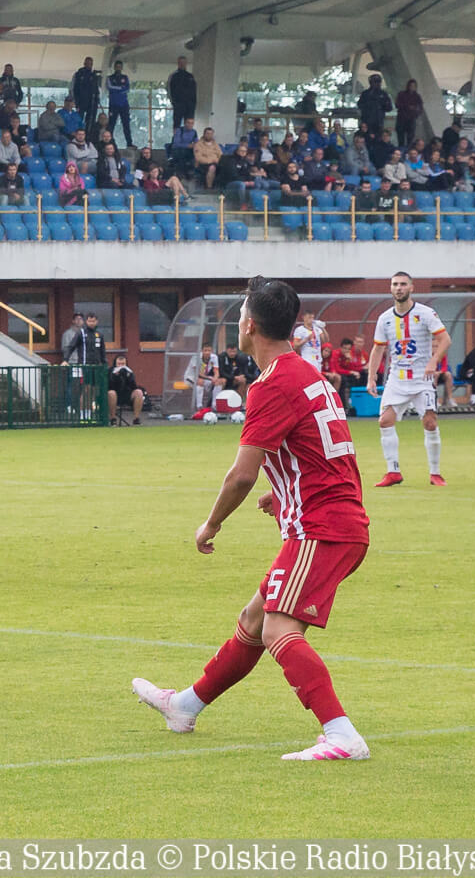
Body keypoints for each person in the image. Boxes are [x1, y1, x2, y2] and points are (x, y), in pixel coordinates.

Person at [132, 277, 373, 762]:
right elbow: (323, 455)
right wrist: (280, 494)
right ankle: (185, 705)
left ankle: (341, 734)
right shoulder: (308, 373)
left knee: (278, 629)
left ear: (249, 325)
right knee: (253, 618)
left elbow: (240, 475)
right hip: (328, 519)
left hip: (322, 529)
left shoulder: (272, 384)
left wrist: (212, 524)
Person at [366, 271, 449, 487]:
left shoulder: (425, 313)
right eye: (395, 284)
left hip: (422, 379)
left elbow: (445, 339)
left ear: (411, 287)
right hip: (397, 379)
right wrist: (371, 377)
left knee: (430, 422)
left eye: (403, 284)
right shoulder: (384, 319)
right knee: (384, 421)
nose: (399, 288)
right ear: (390, 288)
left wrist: (433, 361)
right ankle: (393, 471)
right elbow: (377, 349)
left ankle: (435, 473)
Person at [107, 354, 145, 425]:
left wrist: (129, 376)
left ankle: (136, 418)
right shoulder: (110, 371)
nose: (121, 366)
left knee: (139, 392)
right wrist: (115, 376)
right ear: (115, 363)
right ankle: (113, 418)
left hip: (126, 394)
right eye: (119, 364)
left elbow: (134, 386)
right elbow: (109, 386)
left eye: (123, 364)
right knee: (111, 393)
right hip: (113, 394)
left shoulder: (129, 371)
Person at [105, 60, 133, 147]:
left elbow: (127, 89)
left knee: (126, 124)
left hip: (124, 104)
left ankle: (129, 143)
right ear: (114, 67)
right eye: (117, 66)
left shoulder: (125, 77)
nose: (118, 68)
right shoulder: (110, 78)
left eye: (120, 66)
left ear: (121, 67)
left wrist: (118, 89)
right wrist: (121, 88)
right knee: (111, 124)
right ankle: (108, 142)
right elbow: (110, 87)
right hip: (113, 104)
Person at [357, 74, 392, 140]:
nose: (377, 84)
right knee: (366, 139)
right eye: (375, 82)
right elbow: (360, 105)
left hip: (379, 122)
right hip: (367, 122)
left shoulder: (383, 94)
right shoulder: (366, 94)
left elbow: (389, 108)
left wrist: (382, 105)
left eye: (378, 82)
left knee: (378, 140)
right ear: (371, 83)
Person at [186, 343, 219, 410]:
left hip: (205, 378)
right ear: (202, 351)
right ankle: (199, 406)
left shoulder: (214, 357)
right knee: (200, 381)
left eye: (209, 350)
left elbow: (216, 371)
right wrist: (210, 378)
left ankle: (214, 405)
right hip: (190, 377)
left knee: (219, 382)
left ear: (211, 351)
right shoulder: (196, 357)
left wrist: (215, 378)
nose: (207, 352)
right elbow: (198, 373)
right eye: (205, 350)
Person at [167, 56, 196, 132]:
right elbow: (169, 90)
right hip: (178, 104)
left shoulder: (190, 76)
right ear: (178, 63)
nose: (182, 64)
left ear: (186, 63)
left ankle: (188, 141)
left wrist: (193, 104)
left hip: (189, 105)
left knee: (189, 123)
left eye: (184, 62)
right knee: (177, 124)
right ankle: (176, 141)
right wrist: (174, 102)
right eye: (181, 63)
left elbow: (194, 91)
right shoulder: (173, 76)